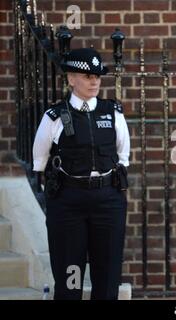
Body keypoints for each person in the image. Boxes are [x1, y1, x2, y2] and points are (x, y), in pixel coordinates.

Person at [32, 47, 130, 300]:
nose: (94, 81)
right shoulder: (54, 116)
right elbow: (39, 162)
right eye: (87, 76)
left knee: (107, 275)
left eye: (97, 76)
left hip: (108, 200)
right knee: (70, 274)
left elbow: (123, 156)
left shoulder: (112, 113)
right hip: (69, 202)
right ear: (71, 79)